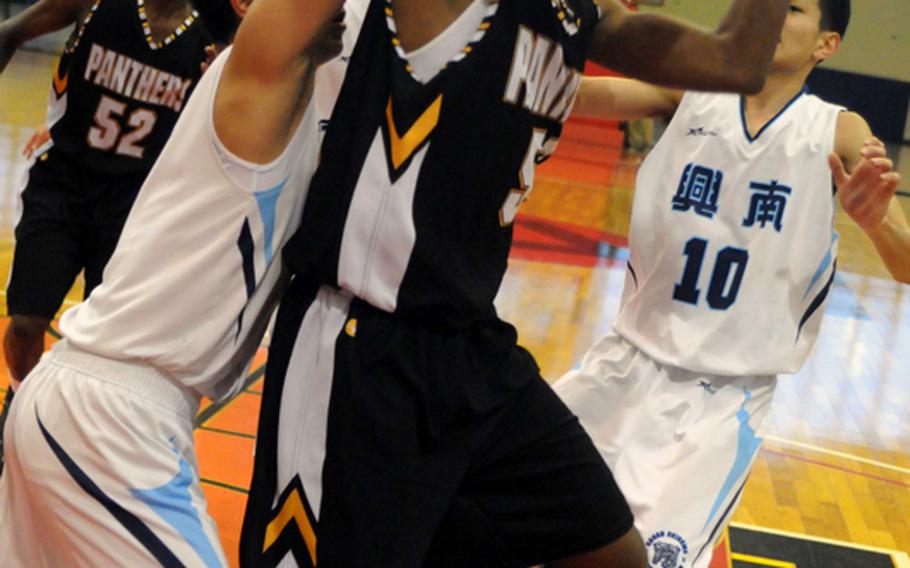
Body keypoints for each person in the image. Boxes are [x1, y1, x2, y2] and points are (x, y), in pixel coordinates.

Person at [238, 0, 792, 566]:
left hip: (470, 348)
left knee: (612, 553)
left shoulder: (581, 19)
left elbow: (737, 63)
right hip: (360, 341)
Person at [554, 0, 909, 566]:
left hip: (719, 401)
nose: (770, 17)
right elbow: (581, 95)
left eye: (791, 9)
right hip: (622, 362)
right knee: (506, 510)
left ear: (826, 44)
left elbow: (906, 261)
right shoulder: (692, 93)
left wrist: (873, 219)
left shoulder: (838, 131)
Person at [0, 0, 347, 564]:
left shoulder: (294, 99)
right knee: (26, 320)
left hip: (120, 412)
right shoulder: (254, 72)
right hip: (109, 420)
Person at [0, 0, 215, 385]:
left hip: (136, 203)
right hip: (61, 184)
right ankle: (18, 400)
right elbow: (9, 32)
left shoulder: (215, 29)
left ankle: (67, 424)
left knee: (103, 344)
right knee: (25, 326)